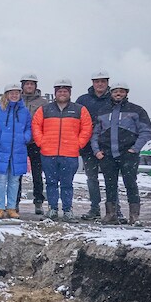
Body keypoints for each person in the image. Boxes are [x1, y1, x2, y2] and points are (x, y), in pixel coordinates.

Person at [91, 81, 151, 225]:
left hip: (128, 154)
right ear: (110, 93)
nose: (118, 94)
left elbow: (146, 131)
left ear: (126, 93)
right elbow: (95, 133)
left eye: (121, 91)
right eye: (115, 91)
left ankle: (134, 216)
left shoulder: (137, 110)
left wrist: (135, 148)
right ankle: (111, 214)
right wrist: (97, 151)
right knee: (109, 184)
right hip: (107, 154)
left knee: (130, 183)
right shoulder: (103, 111)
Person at [31, 79, 93, 221]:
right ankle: (52, 209)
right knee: (51, 182)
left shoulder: (79, 110)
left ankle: (67, 210)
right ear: (55, 93)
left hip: (69, 154)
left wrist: (79, 144)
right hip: (48, 153)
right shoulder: (45, 109)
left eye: (65, 91)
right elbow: (36, 126)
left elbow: (87, 128)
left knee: (67, 184)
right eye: (59, 91)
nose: (62, 94)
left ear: (69, 93)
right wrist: (42, 142)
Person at [0, 84, 32, 219]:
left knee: (14, 180)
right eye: (11, 93)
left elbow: (29, 128)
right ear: (6, 94)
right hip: (1, 150)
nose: (14, 95)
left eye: (17, 93)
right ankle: (0, 207)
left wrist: (25, 138)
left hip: (18, 151)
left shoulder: (24, 112)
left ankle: (11, 207)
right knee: (0, 180)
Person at [76, 70, 112, 220]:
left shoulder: (113, 99)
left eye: (103, 81)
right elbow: (75, 121)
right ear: (92, 83)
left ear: (107, 83)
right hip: (88, 147)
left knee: (111, 178)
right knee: (92, 178)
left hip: (109, 146)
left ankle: (113, 209)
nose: (100, 84)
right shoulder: (83, 100)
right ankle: (94, 208)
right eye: (97, 81)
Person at [19, 73, 49, 214]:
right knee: (17, 174)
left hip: (36, 143)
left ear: (35, 86)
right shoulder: (16, 100)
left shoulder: (43, 103)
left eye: (32, 84)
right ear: (23, 86)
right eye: (27, 84)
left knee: (37, 174)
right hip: (19, 142)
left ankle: (38, 201)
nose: (29, 86)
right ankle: (15, 200)